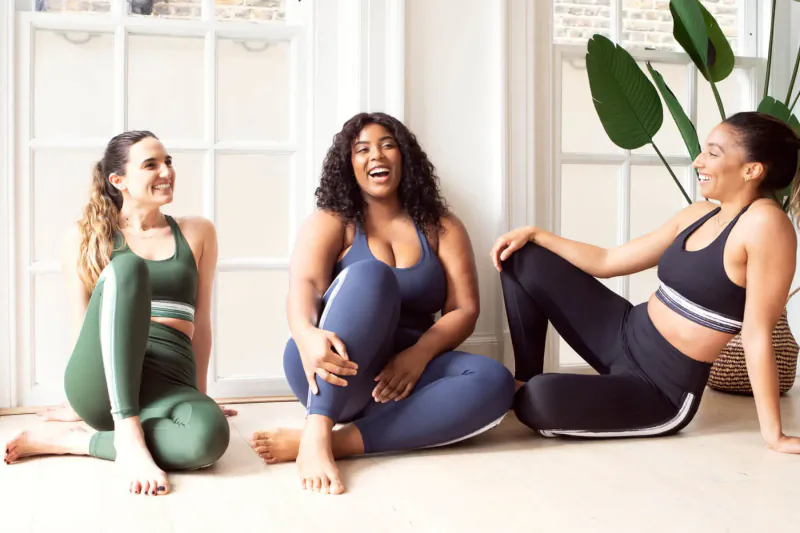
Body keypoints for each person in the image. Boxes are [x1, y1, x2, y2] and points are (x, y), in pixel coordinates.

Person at [491, 111, 800, 453]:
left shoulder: (766, 225)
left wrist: (775, 435)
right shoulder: (698, 214)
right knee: (521, 255)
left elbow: (757, 333)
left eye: (713, 153)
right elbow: (608, 261)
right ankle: (525, 375)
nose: (699, 161)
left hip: (659, 385)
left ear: (751, 169)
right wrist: (536, 234)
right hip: (622, 330)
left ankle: (529, 390)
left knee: (539, 399)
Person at [250, 112, 515, 495]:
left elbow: (464, 310)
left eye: (388, 145)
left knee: (495, 381)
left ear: (404, 156)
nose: (377, 155)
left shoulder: (441, 226)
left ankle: (329, 444)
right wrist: (307, 335)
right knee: (372, 275)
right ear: (350, 164)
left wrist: (419, 354)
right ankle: (320, 424)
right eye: (363, 149)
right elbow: (303, 287)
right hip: (336, 369)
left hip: (408, 375)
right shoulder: (334, 221)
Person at [3, 131, 231, 494]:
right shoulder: (84, 235)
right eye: (151, 164)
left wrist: (200, 395)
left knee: (210, 438)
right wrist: (78, 398)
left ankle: (77, 442)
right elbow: (83, 327)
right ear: (118, 180)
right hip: (104, 381)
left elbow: (200, 324)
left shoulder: (197, 231)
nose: (166, 171)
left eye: (168, 161)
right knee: (128, 269)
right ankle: (126, 431)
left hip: (171, 378)